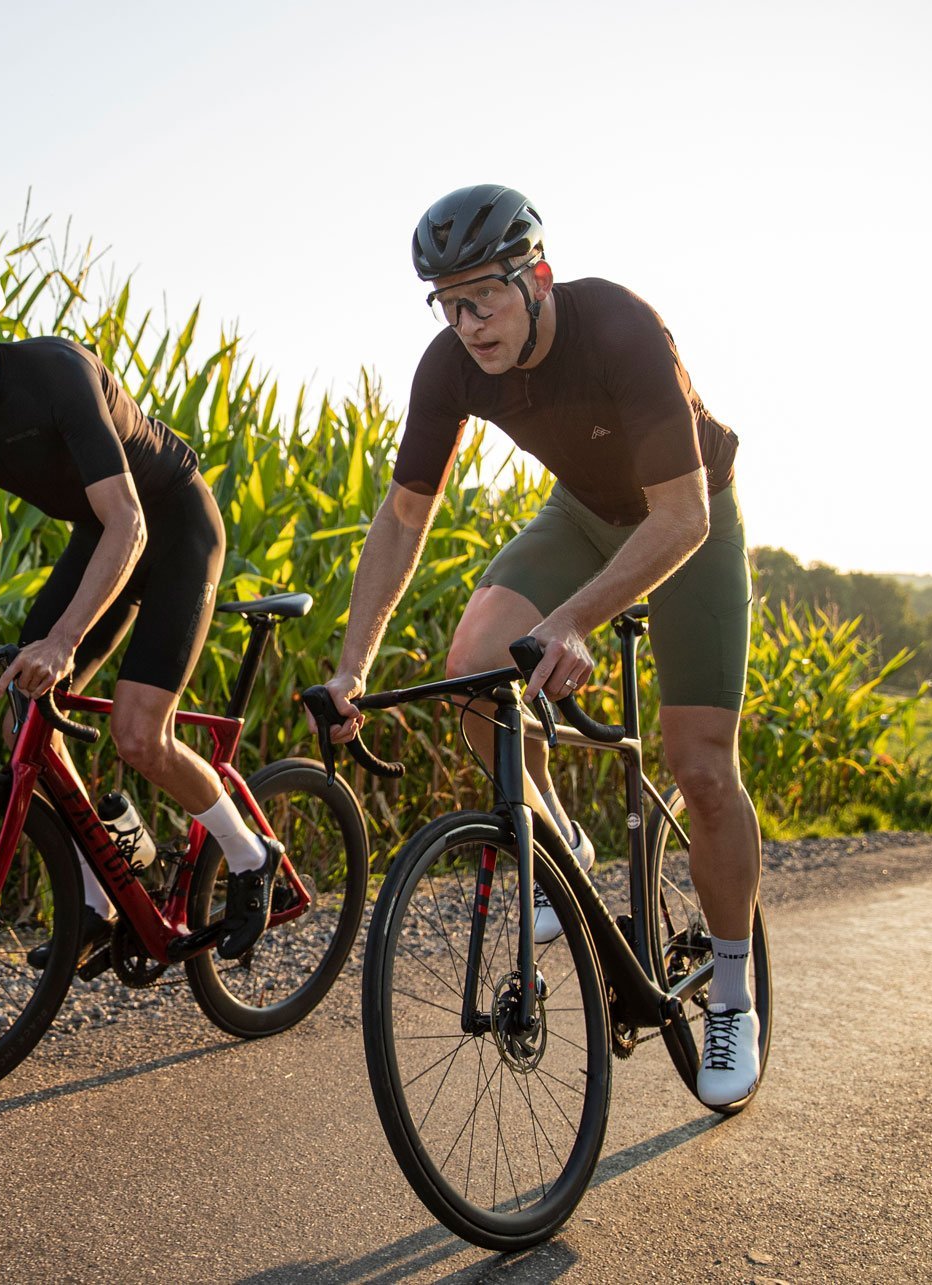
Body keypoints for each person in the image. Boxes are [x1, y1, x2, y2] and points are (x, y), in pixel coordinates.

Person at [313, 186, 761, 1107]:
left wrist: (577, 619)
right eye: (446, 301)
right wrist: (352, 666)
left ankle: (729, 987)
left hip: (687, 518)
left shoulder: (621, 326)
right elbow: (404, 517)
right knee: (475, 667)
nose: (466, 322)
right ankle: (562, 840)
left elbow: (681, 515)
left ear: (538, 277)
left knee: (703, 766)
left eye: (482, 296)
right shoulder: (451, 366)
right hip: (583, 515)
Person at [0, 246, 280, 963]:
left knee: (136, 732)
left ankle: (250, 855)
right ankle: (100, 896)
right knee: (26, 720)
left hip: (172, 525)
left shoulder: (56, 373)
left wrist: (62, 641)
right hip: (107, 537)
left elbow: (132, 522)